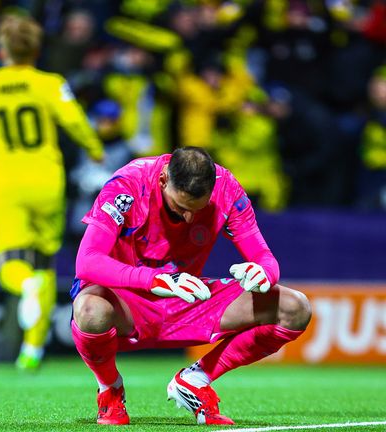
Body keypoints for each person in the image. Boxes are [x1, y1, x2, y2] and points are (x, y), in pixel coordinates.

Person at [71, 146, 311, 425]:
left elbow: (264, 257)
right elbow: (87, 262)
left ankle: (196, 379)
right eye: (180, 207)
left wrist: (263, 273)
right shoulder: (128, 184)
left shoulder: (227, 189)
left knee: (295, 307)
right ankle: (110, 388)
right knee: (89, 309)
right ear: (163, 181)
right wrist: (154, 279)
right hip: (128, 300)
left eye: (198, 210)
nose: (188, 219)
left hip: (187, 299)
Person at [0, 14, 104, 371]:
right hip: (47, 179)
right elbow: (74, 121)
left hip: (7, 181)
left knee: (13, 264)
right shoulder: (49, 83)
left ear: (1, 50)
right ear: (36, 50)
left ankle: (25, 290)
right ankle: (32, 350)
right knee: (43, 260)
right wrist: (95, 148)